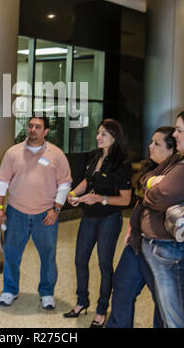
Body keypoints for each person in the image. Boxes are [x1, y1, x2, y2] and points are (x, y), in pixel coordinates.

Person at [0, 116, 72, 310]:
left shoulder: (56, 154)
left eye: (38, 127)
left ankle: (47, 293)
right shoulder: (13, 152)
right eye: (30, 126)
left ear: (45, 131)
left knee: (48, 256)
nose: (32, 129)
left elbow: (64, 184)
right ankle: (10, 290)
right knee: (11, 254)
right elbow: (2, 181)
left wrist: (56, 209)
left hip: (45, 215)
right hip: (16, 212)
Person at [106, 126, 178, 328]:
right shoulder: (153, 171)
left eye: (157, 143)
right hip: (138, 242)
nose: (150, 147)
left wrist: (151, 186)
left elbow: (159, 201)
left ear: (172, 149)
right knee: (121, 288)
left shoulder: (176, 174)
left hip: (163, 247)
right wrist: (131, 226)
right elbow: (143, 201)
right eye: (151, 141)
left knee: (163, 303)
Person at [63, 118, 131, 328]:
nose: (98, 137)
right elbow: (87, 181)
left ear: (114, 138)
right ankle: (82, 301)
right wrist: (73, 193)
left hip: (109, 219)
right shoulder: (95, 157)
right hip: (89, 217)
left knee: (103, 264)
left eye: (103, 134)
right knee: (80, 260)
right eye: (98, 133)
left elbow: (126, 199)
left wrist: (100, 198)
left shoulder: (122, 164)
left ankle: (102, 309)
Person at [141, 111, 184, 328]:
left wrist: (151, 189)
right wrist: (154, 183)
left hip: (168, 248)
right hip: (162, 246)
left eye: (179, 130)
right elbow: (146, 180)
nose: (175, 134)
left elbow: (156, 198)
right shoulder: (177, 162)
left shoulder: (181, 166)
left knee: (173, 316)